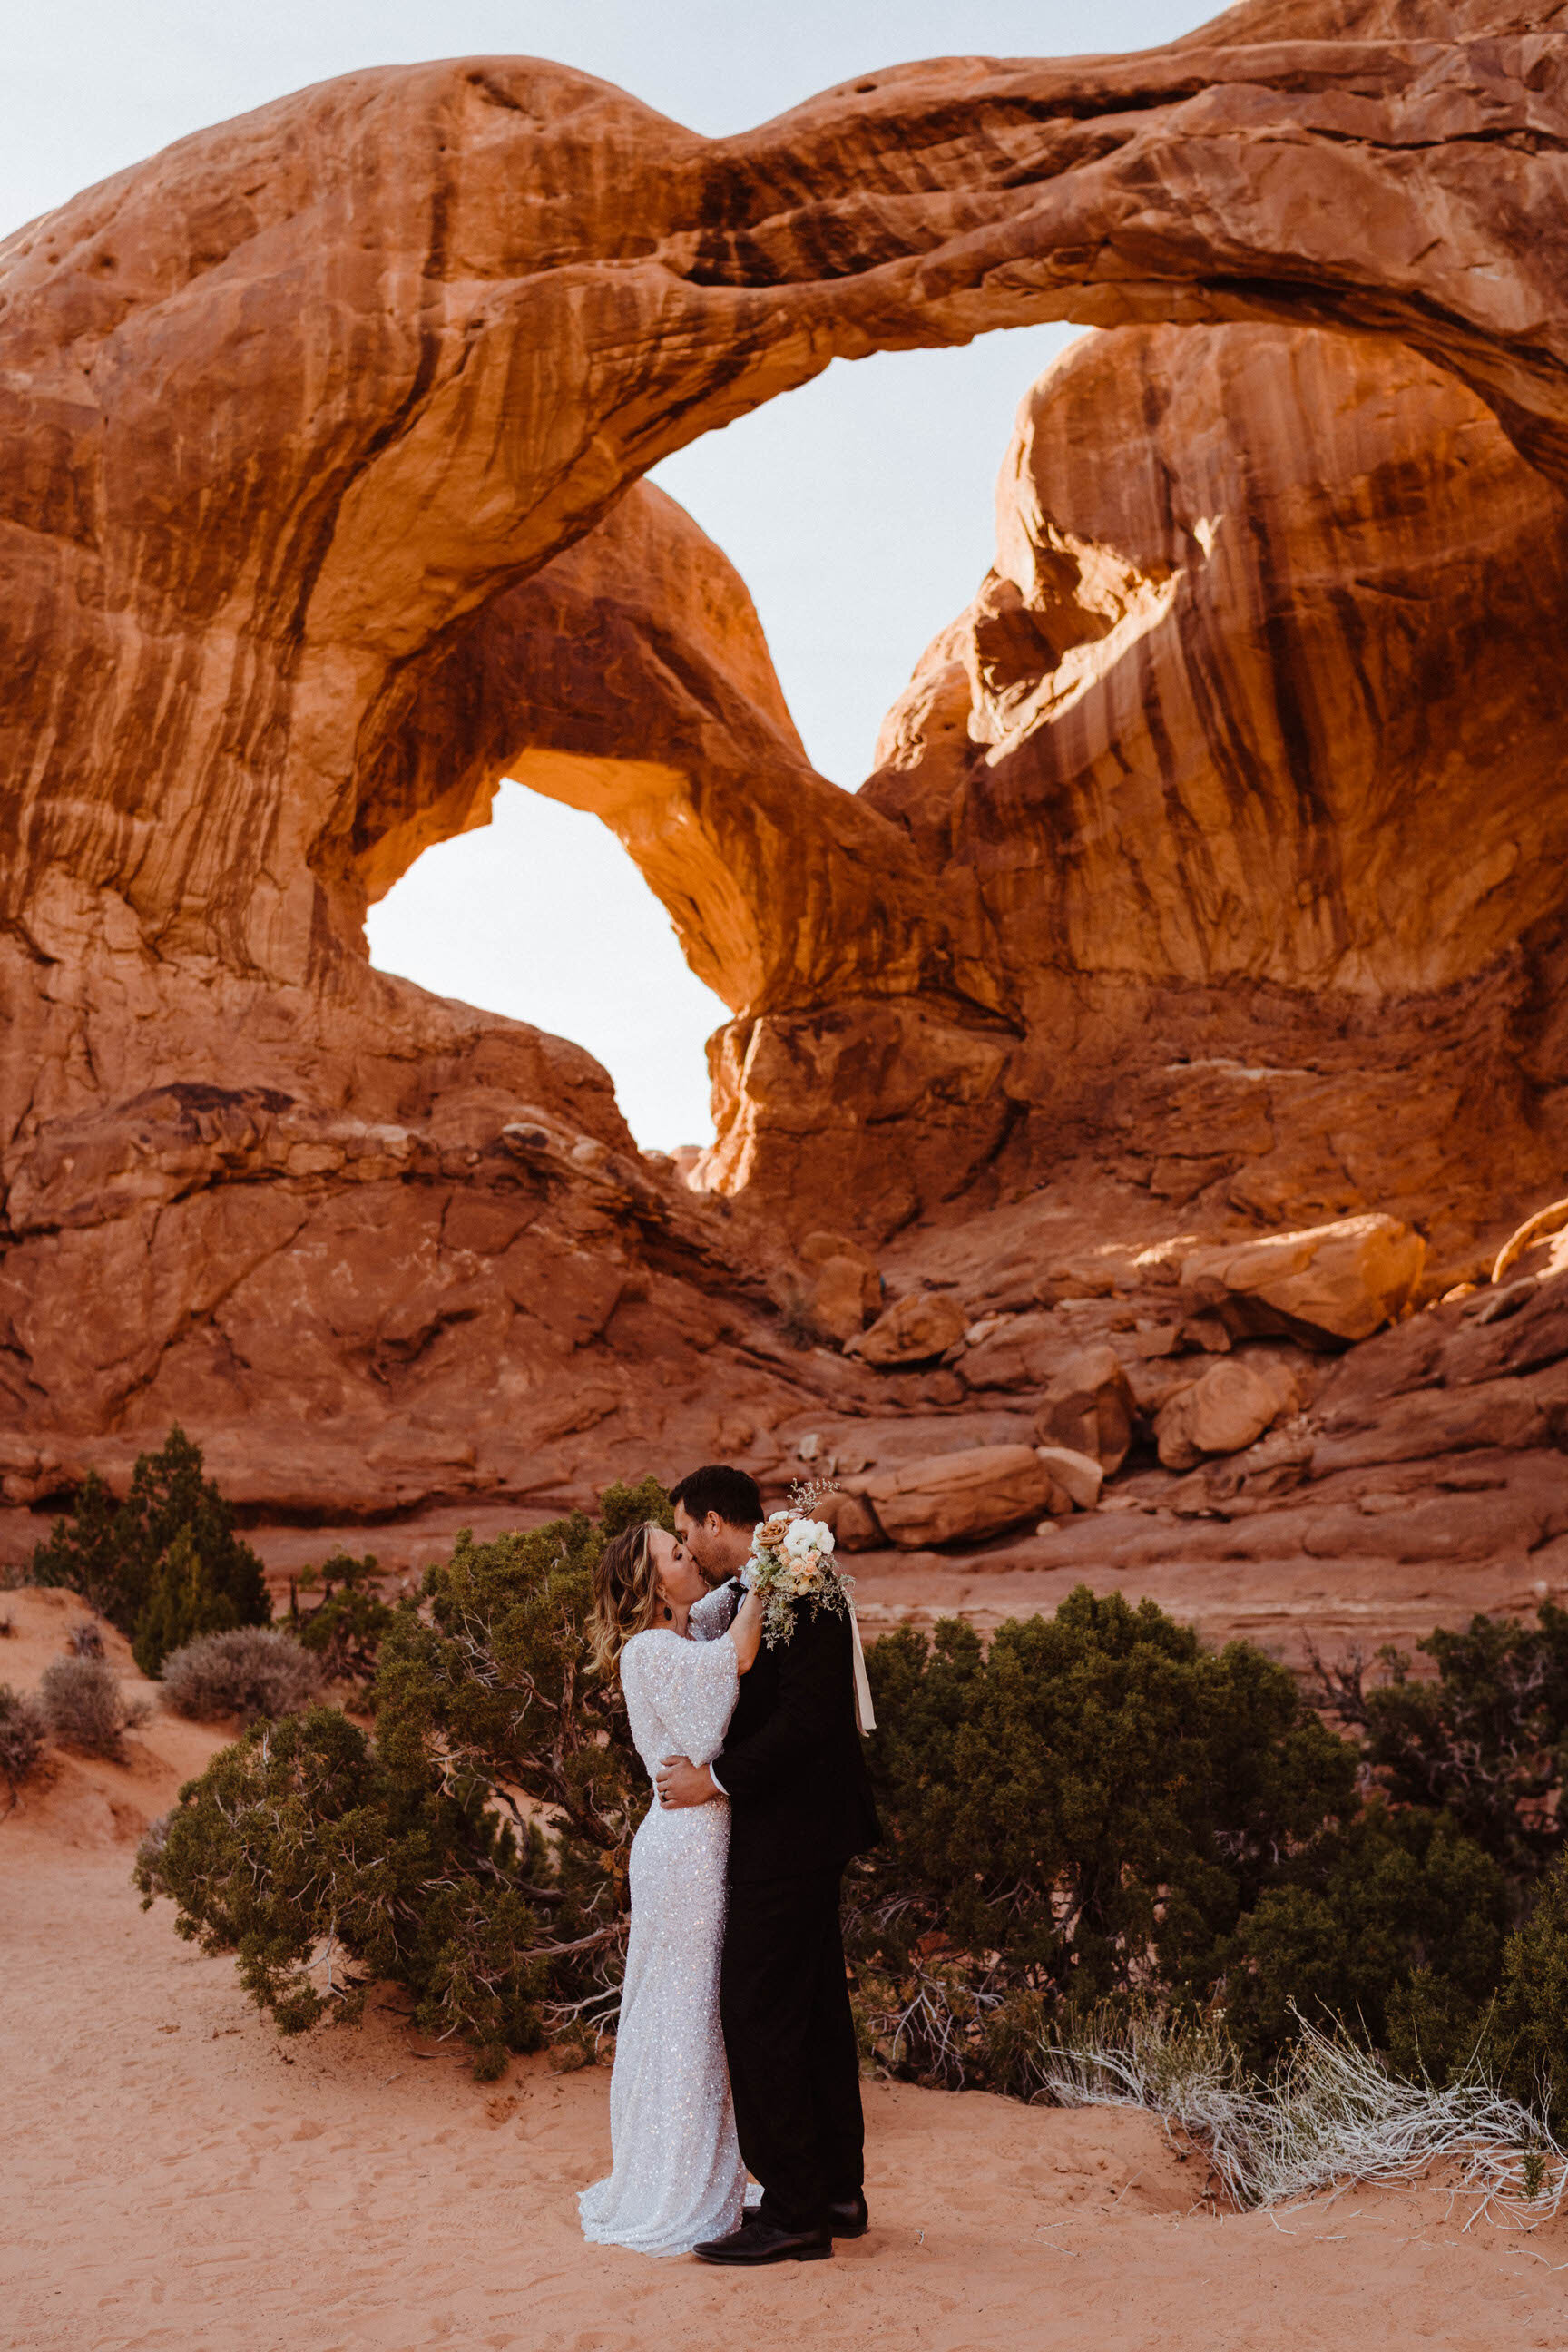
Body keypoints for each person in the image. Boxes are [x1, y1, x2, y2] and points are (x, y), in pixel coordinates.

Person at [658, 1463, 882, 2267]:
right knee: (815, 2008)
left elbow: (807, 1723)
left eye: (687, 1530)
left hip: (789, 1834)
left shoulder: (802, 1578)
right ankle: (834, 2191)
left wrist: (711, 1779)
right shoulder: (777, 1579)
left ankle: (791, 2209)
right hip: (805, 1831)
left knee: (758, 2010)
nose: (687, 1544)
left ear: (716, 1522)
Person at [577, 1515, 766, 2257]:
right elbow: (742, 1650)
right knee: (686, 2009)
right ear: (653, 1583)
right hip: (685, 1849)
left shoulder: (685, 1632)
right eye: (678, 1554)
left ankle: (699, 2167)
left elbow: (727, 1609)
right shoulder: (653, 1649)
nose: (693, 1559)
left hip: (698, 1838)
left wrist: (760, 1569)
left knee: (694, 2006)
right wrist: (779, 1570)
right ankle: (680, 2182)